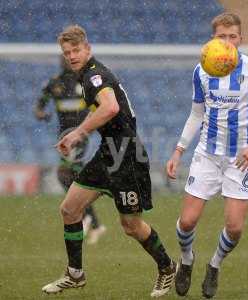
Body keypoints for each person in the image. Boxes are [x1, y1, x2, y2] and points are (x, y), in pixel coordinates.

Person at [42, 25, 176, 297]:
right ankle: (75, 274)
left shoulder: (94, 75)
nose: (71, 56)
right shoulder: (87, 77)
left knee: (131, 226)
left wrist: (79, 133)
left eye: (76, 50)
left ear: (87, 49)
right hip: (108, 153)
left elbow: (111, 107)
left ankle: (167, 266)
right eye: (67, 52)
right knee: (69, 209)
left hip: (126, 157)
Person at [166, 13, 248, 298]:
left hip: (240, 160)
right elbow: (196, 114)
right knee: (187, 222)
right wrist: (179, 149)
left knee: (234, 227)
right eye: (222, 37)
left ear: (241, 39)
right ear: (213, 39)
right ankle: (187, 259)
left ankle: (214, 265)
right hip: (207, 155)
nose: (228, 42)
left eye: (233, 37)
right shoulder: (201, 71)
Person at [34, 56, 106, 244]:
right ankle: (94, 221)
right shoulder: (54, 83)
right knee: (70, 175)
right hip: (64, 136)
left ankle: (85, 215)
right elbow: (40, 104)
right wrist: (41, 113)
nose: (66, 61)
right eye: (64, 57)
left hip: (81, 134)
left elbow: (101, 104)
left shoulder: (84, 81)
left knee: (65, 173)